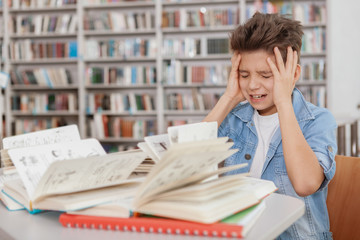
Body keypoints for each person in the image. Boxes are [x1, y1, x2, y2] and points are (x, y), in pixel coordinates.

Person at [204, 12, 337, 239]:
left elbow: (305, 184)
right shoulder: (235, 118)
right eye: (244, 74)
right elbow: (185, 163)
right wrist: (228, 97)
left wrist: (284, 100)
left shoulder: (318, 120)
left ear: (293, 74)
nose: (253, 85)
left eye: (266, 75)